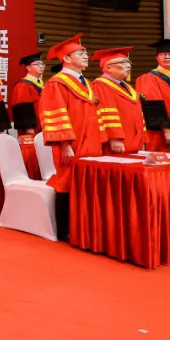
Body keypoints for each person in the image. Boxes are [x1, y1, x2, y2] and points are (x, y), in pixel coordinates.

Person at [39, 34, 104, 240]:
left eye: (86, 53)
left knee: (86, 183)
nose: (86, 56)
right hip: (71, 143)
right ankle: (64, 230)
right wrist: (65, 144)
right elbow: (55, 114)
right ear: (66, 58)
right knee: (67, 182)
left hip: (91, 141)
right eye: (80, 53)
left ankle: (82, 226)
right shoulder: (56, 83)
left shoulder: (87, 83)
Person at [91, 47, 145, 155]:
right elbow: (106, 112)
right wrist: (114, 138)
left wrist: (143, 138)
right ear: (108, 67)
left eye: (128, 62)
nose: (128, 65)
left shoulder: (127, 87)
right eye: (123, 62)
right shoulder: (101, 85)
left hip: (134, 140)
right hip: (118, 142)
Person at [10, 53, 45, 134]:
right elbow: (23, 107)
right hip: (32, 128)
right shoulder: (23, 85)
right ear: (28, 67)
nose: (41, 66)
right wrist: (29, 127)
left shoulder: (42, 83)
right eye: (37, 64)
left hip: (44, 124)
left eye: (42, 64)